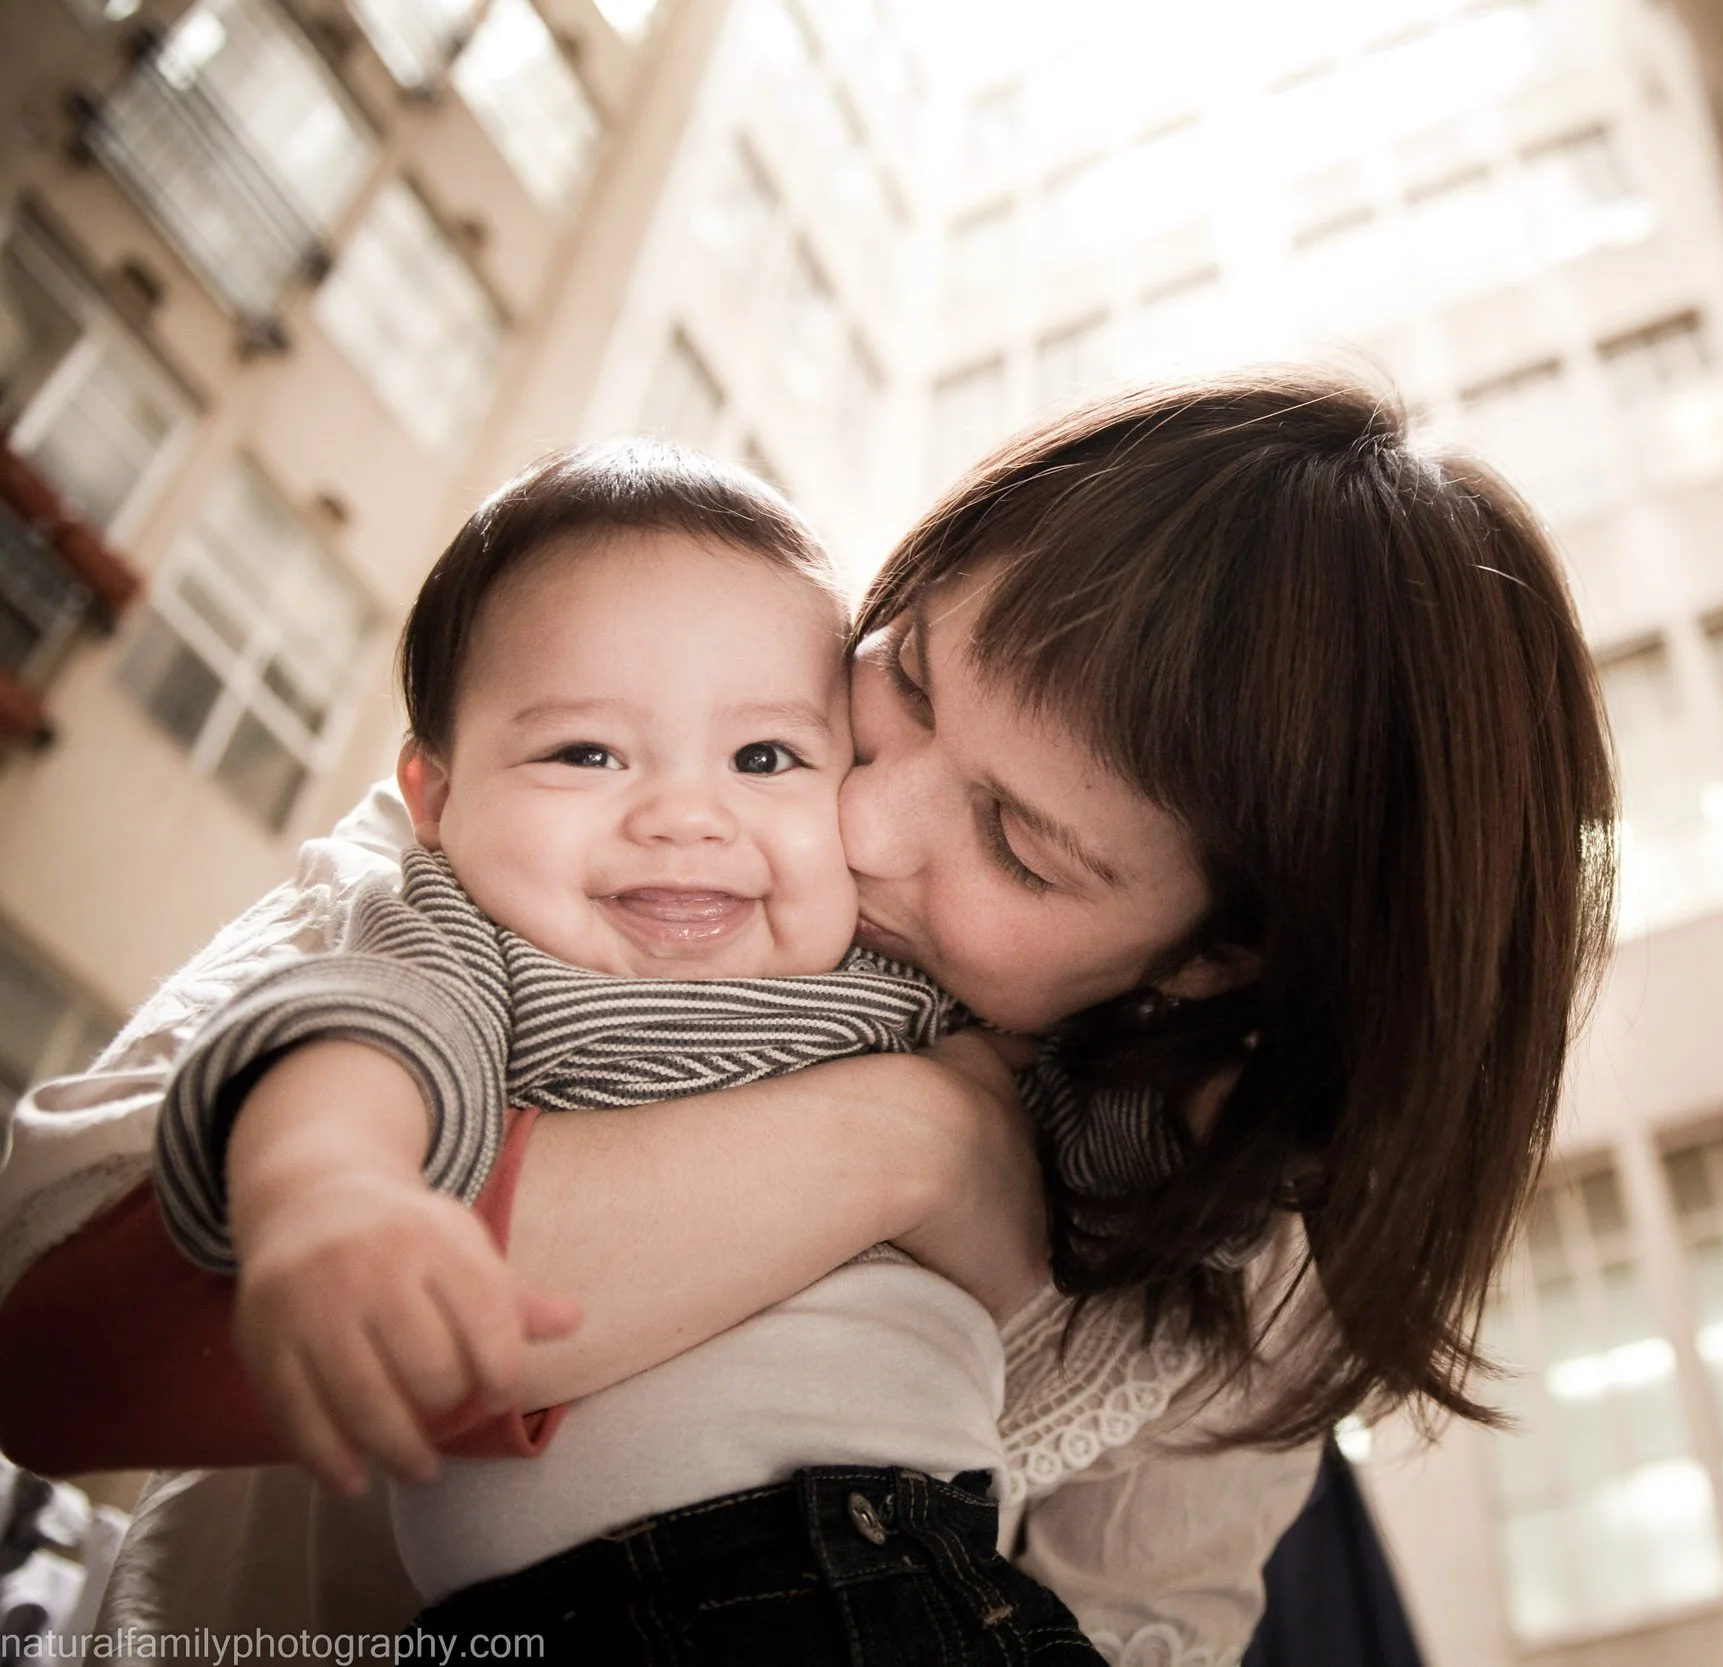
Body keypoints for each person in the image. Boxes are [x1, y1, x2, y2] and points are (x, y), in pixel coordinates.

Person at [0, 368, 1617, 1664]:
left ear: (1215, 964)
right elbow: (56, 1344)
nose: (856, 818)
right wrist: (896, 1142)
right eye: (899, 681)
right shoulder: (578, 801)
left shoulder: (1245, 1265)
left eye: (1014, 841)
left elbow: (1144, 1628)